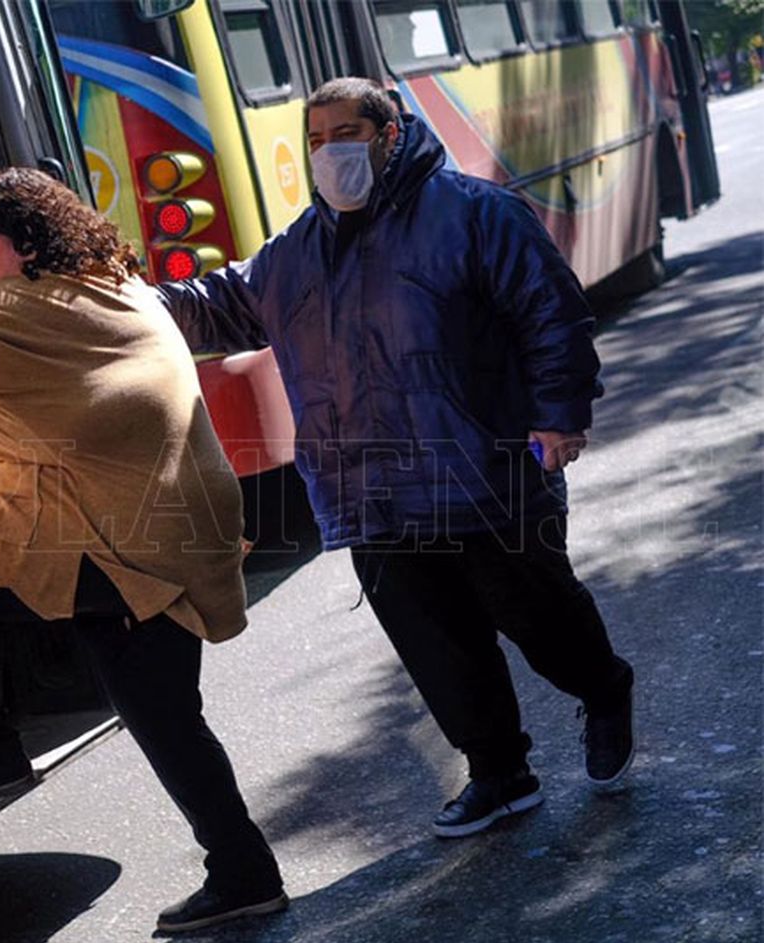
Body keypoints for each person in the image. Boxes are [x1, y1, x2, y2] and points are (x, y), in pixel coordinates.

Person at [0, 167, 286, 933]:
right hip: (174, 527)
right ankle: (243, 869)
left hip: (122, 548)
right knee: (164, 712)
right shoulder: (110, 285)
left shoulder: (13, 320)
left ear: (27, 244)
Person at [158, 78, 635, 839]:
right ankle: (499, 773)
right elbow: (215, 304)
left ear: (391, 133)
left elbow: (553, 314)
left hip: (483, 474)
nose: (328, 152)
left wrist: (558, 417)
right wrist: (117, 298)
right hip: (369, 491)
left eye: (345, 134)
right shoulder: (297, 250)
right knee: (438, 648)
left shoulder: (476, 214)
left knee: (540, 619)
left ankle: (605, 689)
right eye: (315, 140)